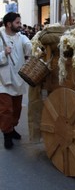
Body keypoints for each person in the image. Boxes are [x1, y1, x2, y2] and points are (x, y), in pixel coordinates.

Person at [0, 12, 32, 149]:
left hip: (17, 79)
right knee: (6, 110)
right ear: (9, 24)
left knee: (17, 109)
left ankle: (11, 128)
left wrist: (32, 46)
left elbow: (29, 46)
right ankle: (7, 134)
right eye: (17, 23)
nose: (20, 25)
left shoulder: (21, 37)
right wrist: (3, 53)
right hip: (3, 80)